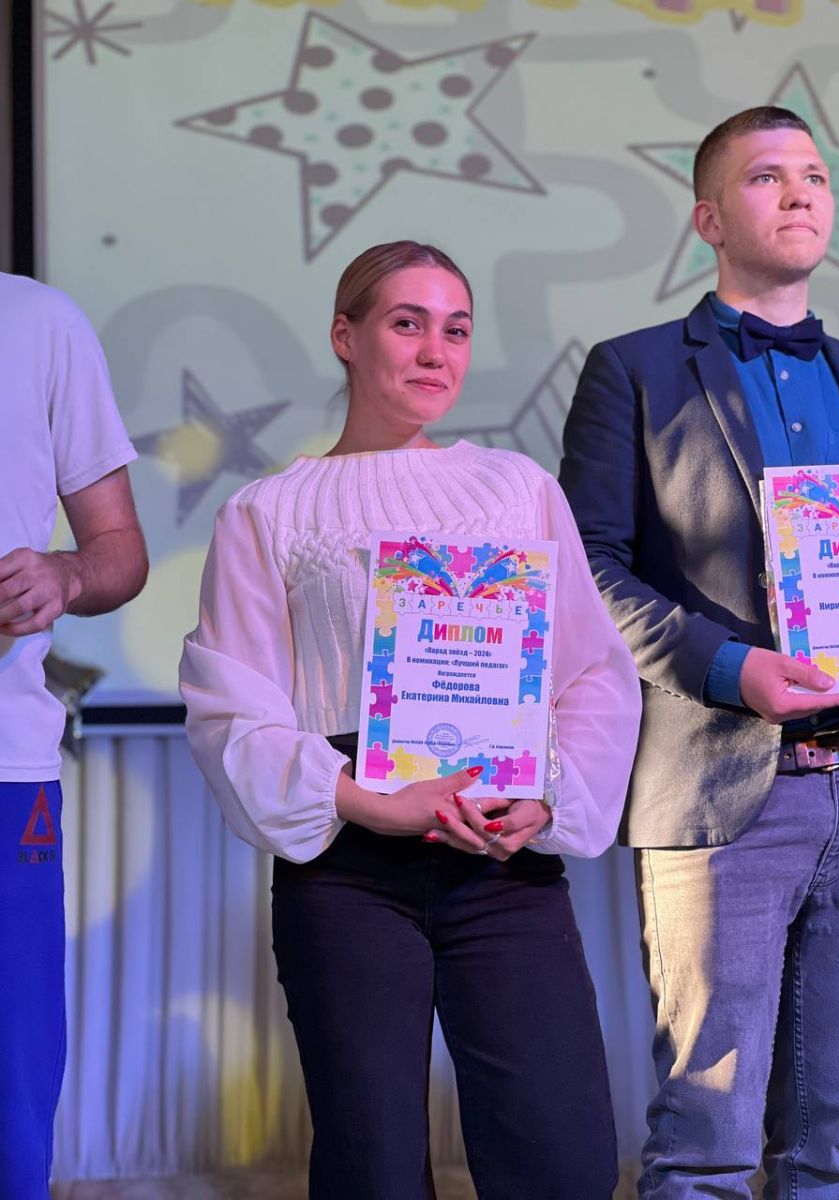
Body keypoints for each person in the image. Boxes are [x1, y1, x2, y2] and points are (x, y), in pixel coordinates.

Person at [180, 240, 641, 1199]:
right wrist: (368, 801)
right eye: (407, 323)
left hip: (502, 855)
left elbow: (592, 673)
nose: (437, 351)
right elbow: (233, 707)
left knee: (561, 1162)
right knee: (373, 1170)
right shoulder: (267, 511)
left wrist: (546, 799)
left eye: (457, 330)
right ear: (345, 336)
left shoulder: (517, 488)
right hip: (350, 868)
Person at [560, 106, 839, 1198]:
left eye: (814, 175)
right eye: (766, 176)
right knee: (705, 1147)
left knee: (835, 1151)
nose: (799, 191)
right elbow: (587, 572)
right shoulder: (635, 371)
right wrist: (731, 668)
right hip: (720, 792)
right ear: (708, 219)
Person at [0, 273, 147, 1198]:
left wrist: (62, 574)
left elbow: (119, 548)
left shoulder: (37, 321)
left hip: (5, 770)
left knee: (9, 1099)